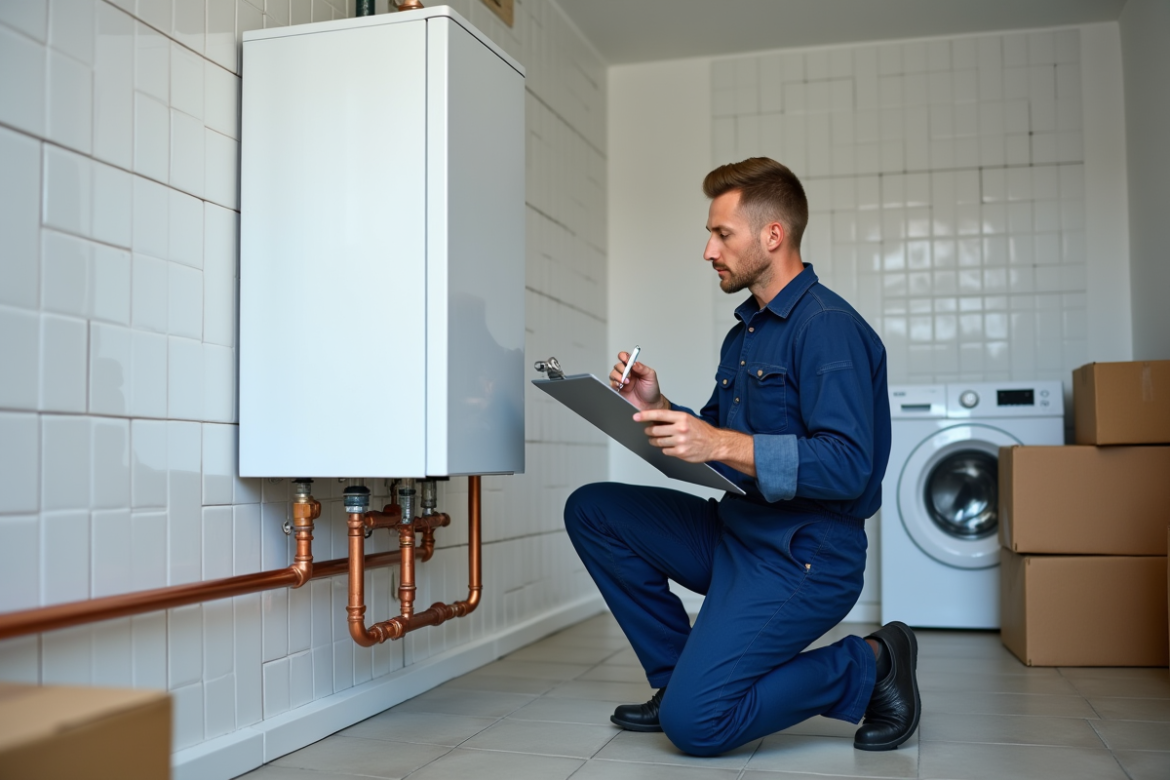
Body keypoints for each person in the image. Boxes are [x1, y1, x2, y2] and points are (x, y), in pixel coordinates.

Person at [563, 157, 919, 756]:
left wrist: (719, 442)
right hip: (738, 532)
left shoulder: (828, 328)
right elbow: (719, 452)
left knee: (698, 726)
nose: (708, 250)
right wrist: (658, 403)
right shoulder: (746, 333)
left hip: (806, 553)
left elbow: (848, 464)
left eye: (722, 233)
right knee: (593, 509)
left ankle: (872, 664)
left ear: (772, 235)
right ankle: (679, 680)